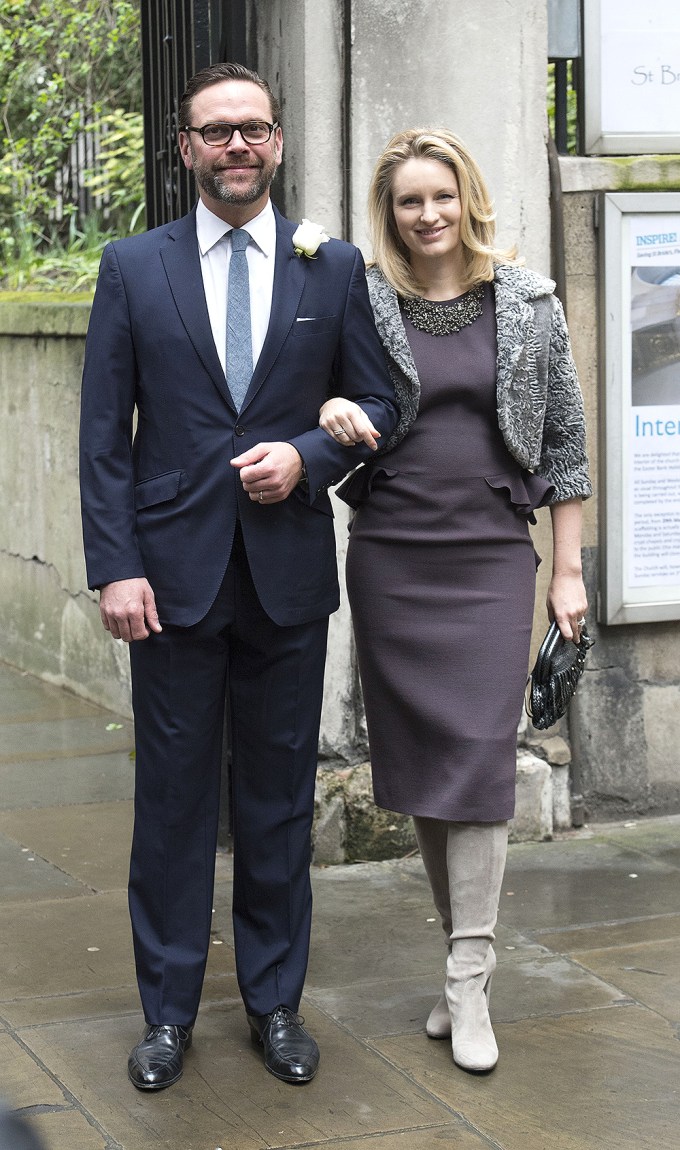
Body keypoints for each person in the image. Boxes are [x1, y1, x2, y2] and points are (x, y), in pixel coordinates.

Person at [79, 62, 398, 1091]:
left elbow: (381, 404)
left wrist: (311, 454)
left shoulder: (332, 266)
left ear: (276, 141)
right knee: (171, 807)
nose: (236, 148)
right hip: (167, 583)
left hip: (286, 580)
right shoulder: (133, 267)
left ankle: (273, 1002)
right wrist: (115, 566)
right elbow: (104, 441)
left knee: (276, 804)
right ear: (186, 150)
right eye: (215, 133)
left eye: (252, 129)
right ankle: (167, 1012)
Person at [319, 128, 591, 1074]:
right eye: (407, 202)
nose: (426, 215)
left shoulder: (529, 302)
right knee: (431, 768)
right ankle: (457, 969)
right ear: (387, 216)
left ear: (467, 198)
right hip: (392, 554)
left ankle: (471, 986)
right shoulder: (363, 299)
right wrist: (331, 414)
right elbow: (320, 394)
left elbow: (565, 446)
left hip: (487, 556)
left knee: (479, 761)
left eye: (441, 196)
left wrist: (566, 571)